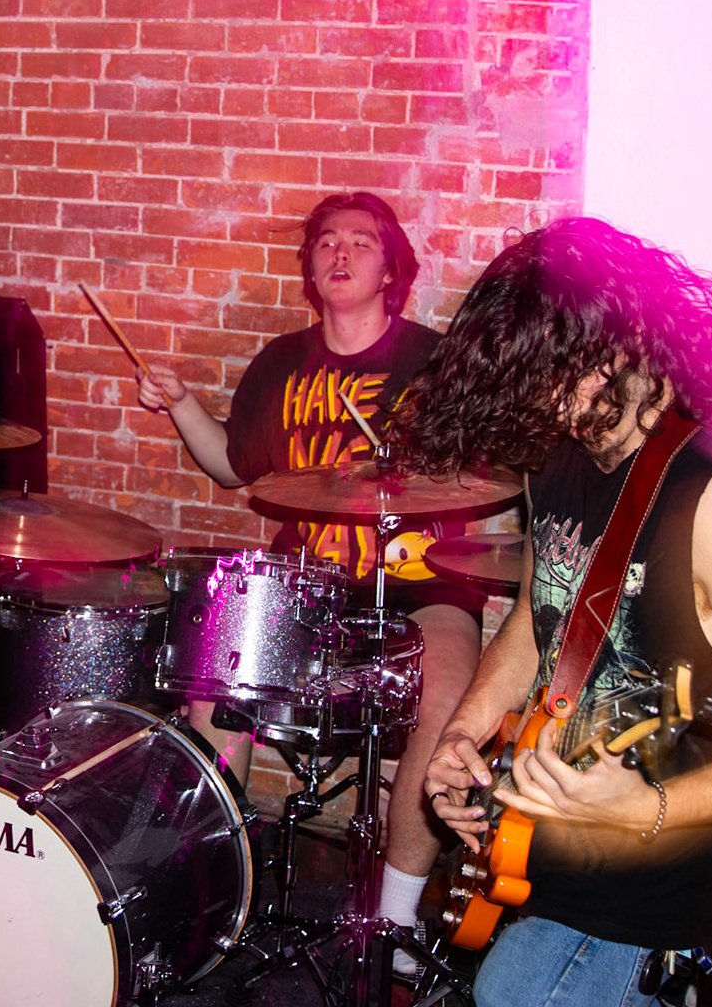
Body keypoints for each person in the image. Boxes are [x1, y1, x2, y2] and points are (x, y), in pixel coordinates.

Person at [406, 218, 712, 1006]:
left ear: (634, 335)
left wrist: (649, 809)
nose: (549, 403)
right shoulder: (558, 449)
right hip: (542, 852)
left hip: (647, 894)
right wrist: (465, 733)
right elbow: (543, 615)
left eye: (562, 374)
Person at [136, 190, 485, 958]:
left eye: (362, 242)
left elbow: (484, 472)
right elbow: (234, 465)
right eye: (327, 241)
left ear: (391, 270)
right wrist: (182, 402)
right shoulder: (279, 365)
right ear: (310, 265)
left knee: (446, 703)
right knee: (216, 683)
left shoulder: (436, 364)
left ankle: (395, 923)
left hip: (421, 584)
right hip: (308, 584)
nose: (340, 253)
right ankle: (210, 895)